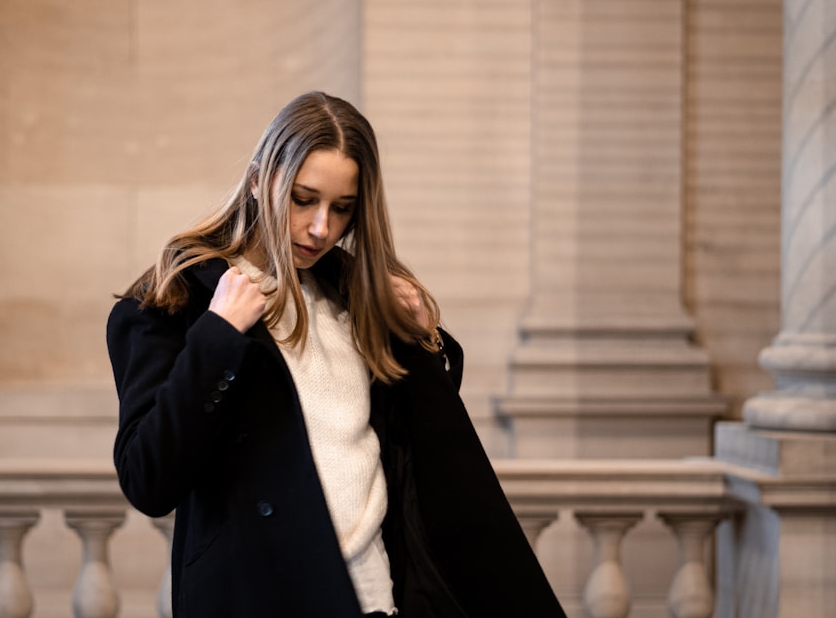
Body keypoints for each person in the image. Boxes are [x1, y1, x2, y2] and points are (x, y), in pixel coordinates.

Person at [107, 91, 566, 617]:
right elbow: (147, 479)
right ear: (259, 181)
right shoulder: (176, 299)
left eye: (342, 208)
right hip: (263, 599)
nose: (322, 228)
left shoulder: (355, 293)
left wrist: (423, 338)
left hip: (377, 599)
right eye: (304, 199)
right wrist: (217, 337)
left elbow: (419, 448)